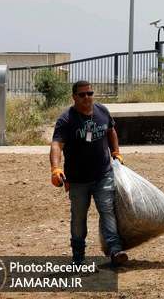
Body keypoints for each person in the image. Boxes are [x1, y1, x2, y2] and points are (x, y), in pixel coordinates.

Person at [49, 80, 127, 266]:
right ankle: (78, 257)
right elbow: (57, 144)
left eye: (90, 93)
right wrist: (55, 168)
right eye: (82, 94)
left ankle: (115, 250)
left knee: (107, 210)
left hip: (103, 174)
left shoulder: (102, 111)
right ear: (74, 97)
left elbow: (111, 131)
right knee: (78, 218)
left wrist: (116, 152)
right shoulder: (66, 119)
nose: (87, 97)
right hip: (78, 180)